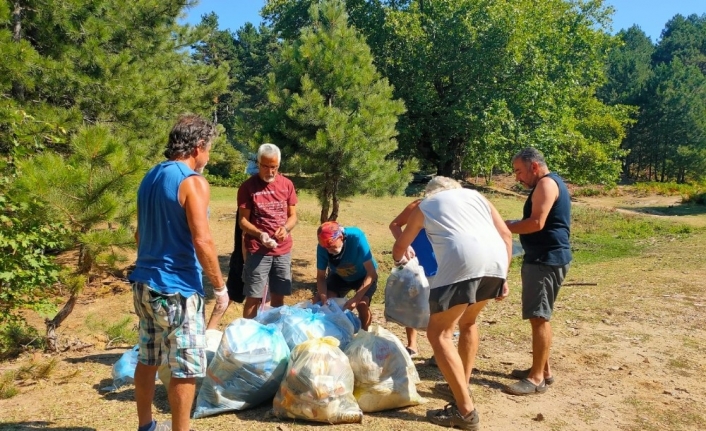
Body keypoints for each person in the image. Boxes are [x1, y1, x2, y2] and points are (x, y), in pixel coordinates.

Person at [129, 114, 230, 431]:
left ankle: (146, 426)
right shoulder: (192, 182)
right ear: (199, 147)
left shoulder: (151, 177)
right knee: (185, 368)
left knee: (148, 359)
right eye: (209, 149)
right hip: (178, 290)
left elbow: (138, 235)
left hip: (145, 285)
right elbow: (202, 239)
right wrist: (220, 287)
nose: (209, 157)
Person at [392, 176, 512, 431]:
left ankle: (465, 411)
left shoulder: (426, 205)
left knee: (439, 334)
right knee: (468, 322)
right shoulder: (478, 197)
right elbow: (506, 235)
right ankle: (461, 384)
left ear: (430, 193)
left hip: (462, 264)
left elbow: (401, 246)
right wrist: (504, 277)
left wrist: (401, 262)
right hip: (496, 263)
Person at [504, 148, 572, 396]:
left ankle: (535, 380)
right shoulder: (549, 183)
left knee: (539, 317)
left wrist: (502, 226)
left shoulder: (545, 184)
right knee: (540, 316)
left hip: (545, 259)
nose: (517, 178)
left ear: (534, 166)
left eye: (519, 171)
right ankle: (544, 370)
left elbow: (536, 223)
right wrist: (510, 223)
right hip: (545, 257)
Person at [236, 143, 298, 319]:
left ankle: (274, 332)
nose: (270, 172)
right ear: (258, 163)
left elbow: (293, 216)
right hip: (258, 250)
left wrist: (285, 229)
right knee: (254, 296)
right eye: (266, 167)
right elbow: (243, 221)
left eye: (274, 167)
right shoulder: (248, 187)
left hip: (282, 250)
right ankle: (249, 333)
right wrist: (260, 234)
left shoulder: (287, 184)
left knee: (279, 295)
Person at [389, 198, 438, 358]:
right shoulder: (419, 205)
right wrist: (405, 245)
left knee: (440, 306)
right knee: (412, 301)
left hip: (442, 260)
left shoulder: (453, 207)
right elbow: (394, 224)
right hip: (417, 259)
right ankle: (412, 345)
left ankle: (439, 351)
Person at [315, 221, 378, 331]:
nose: (329, 251)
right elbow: (320, 277)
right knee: (319, 301)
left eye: (332, 247)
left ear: (341, 237)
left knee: (362, 304)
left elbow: (371, 273)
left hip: (364, 275)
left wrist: (357, 298)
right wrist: (324, 298)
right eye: (326, 248)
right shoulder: (323, 247)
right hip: (340, 275)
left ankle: (364, 334)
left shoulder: (356, 237)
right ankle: (328, 331)